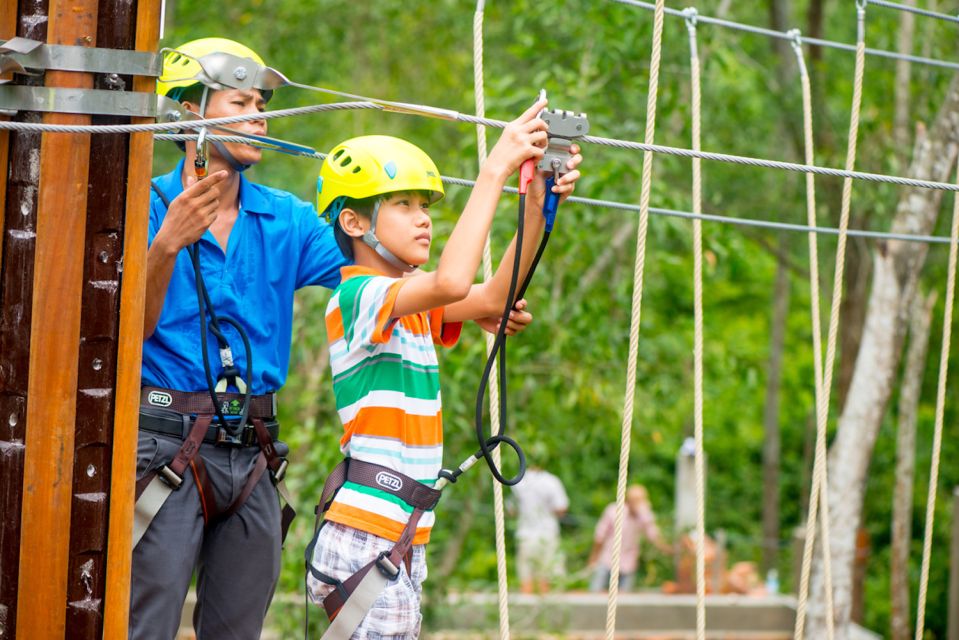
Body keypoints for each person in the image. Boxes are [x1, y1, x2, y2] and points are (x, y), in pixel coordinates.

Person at [133, 38, 533, 640]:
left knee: (239, 628)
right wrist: (166, 244)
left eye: (262, 105)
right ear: (190, 110)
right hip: (166, 446)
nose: (259, 117)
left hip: (251, 450)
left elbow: (381, 273)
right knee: (148, 623)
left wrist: (478, 292)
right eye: (240, 102)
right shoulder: (144, 204)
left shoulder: (289, 218)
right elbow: (125, 333)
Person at [306, 102, 582, 637]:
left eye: (424, 205)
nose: (424, 217)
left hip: (403, 532)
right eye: (403, 205)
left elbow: (496, 296)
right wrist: (493, 171)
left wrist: (534, 204)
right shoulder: (357, 296)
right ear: (354, 222)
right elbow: (455, 283)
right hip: (368, 533)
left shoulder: (412, 307)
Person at [588, 484, 670, 593]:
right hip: (607, 558)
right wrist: (594, 557)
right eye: (635, 500)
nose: (638, 503)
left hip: (629, 563)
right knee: (595, 591)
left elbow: (653, 536)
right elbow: (599, 536)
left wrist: (668, 549)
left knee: (624, 598)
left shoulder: (645, 516)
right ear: (628, 500)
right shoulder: (613, 511)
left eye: (641, 500)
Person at [511, 456, 569, 594]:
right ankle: (543, 608)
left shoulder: (517, 481)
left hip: (525, 534)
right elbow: (561, 508)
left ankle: (527, 605)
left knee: (526, 576)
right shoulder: (551, 481)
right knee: (546, 575)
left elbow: (512, 510)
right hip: (547, 533)